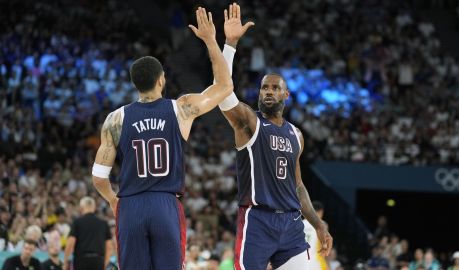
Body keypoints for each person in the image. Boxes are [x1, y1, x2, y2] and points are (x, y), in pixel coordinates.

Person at [91, 7, 233, 270]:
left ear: (136, 84)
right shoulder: (181, 108)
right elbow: (224, 87)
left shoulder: (115, 119)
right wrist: (212, 41)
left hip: (131, 205)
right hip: (166, 204)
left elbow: (99, 177)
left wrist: (114, 200)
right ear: (161, 80)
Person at [217, 3, 332, 269]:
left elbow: (299, 186)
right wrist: (230, 45)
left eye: (274, 88)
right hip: (258, 220)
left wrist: (318, 225)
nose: (268, 91)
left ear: (286, 95)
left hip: (291, 225)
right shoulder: (249, 123)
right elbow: (223, 93)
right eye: (264, 87)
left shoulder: (296, 134)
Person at [62, 197, 113, 270]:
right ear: (94, 208)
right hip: (98, 261)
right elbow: (109, 247)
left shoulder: (77, 222)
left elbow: (70, 243)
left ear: (81, 208)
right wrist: (104, 264)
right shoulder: (103, 224)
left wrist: (65, 262)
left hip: (81, 261)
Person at [304, 201, 330, 270]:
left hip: (300, 262)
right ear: (320, 212)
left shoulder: (300, 224)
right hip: (315, 262)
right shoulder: (322, 224)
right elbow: (325, 247)